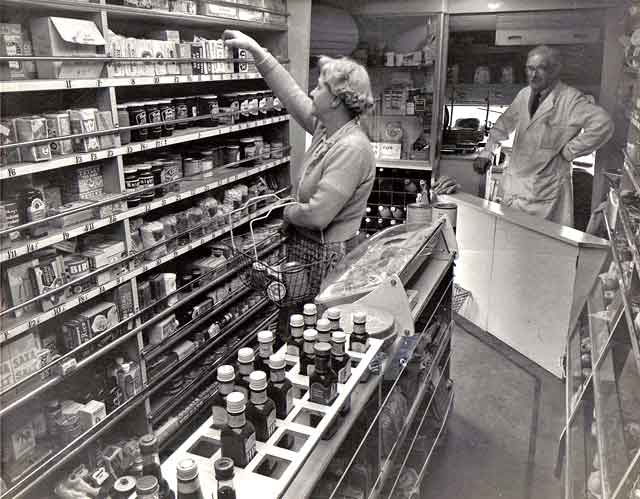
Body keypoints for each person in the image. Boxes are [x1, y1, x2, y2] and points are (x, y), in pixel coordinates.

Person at [223, 30, 376, 254]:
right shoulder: (326, 129)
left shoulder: (351, 148)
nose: (312, 92)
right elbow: (291, 94)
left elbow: (317, 217)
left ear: (335, 100)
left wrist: (284, 210)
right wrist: (257, 52)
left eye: (320, 87)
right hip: (308, 246)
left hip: (328, 254)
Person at [473, 45, 614, 227]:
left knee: (544, 248)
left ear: (555, 70)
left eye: (541, 68)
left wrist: (569, 151)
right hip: (515, 188)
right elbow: (503, 124)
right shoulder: (524, 94)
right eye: (530, 68)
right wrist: (487, 152)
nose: (534, 75)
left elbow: (603, 124)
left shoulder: (570, 99)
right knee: (511, 245)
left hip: (546, 193)